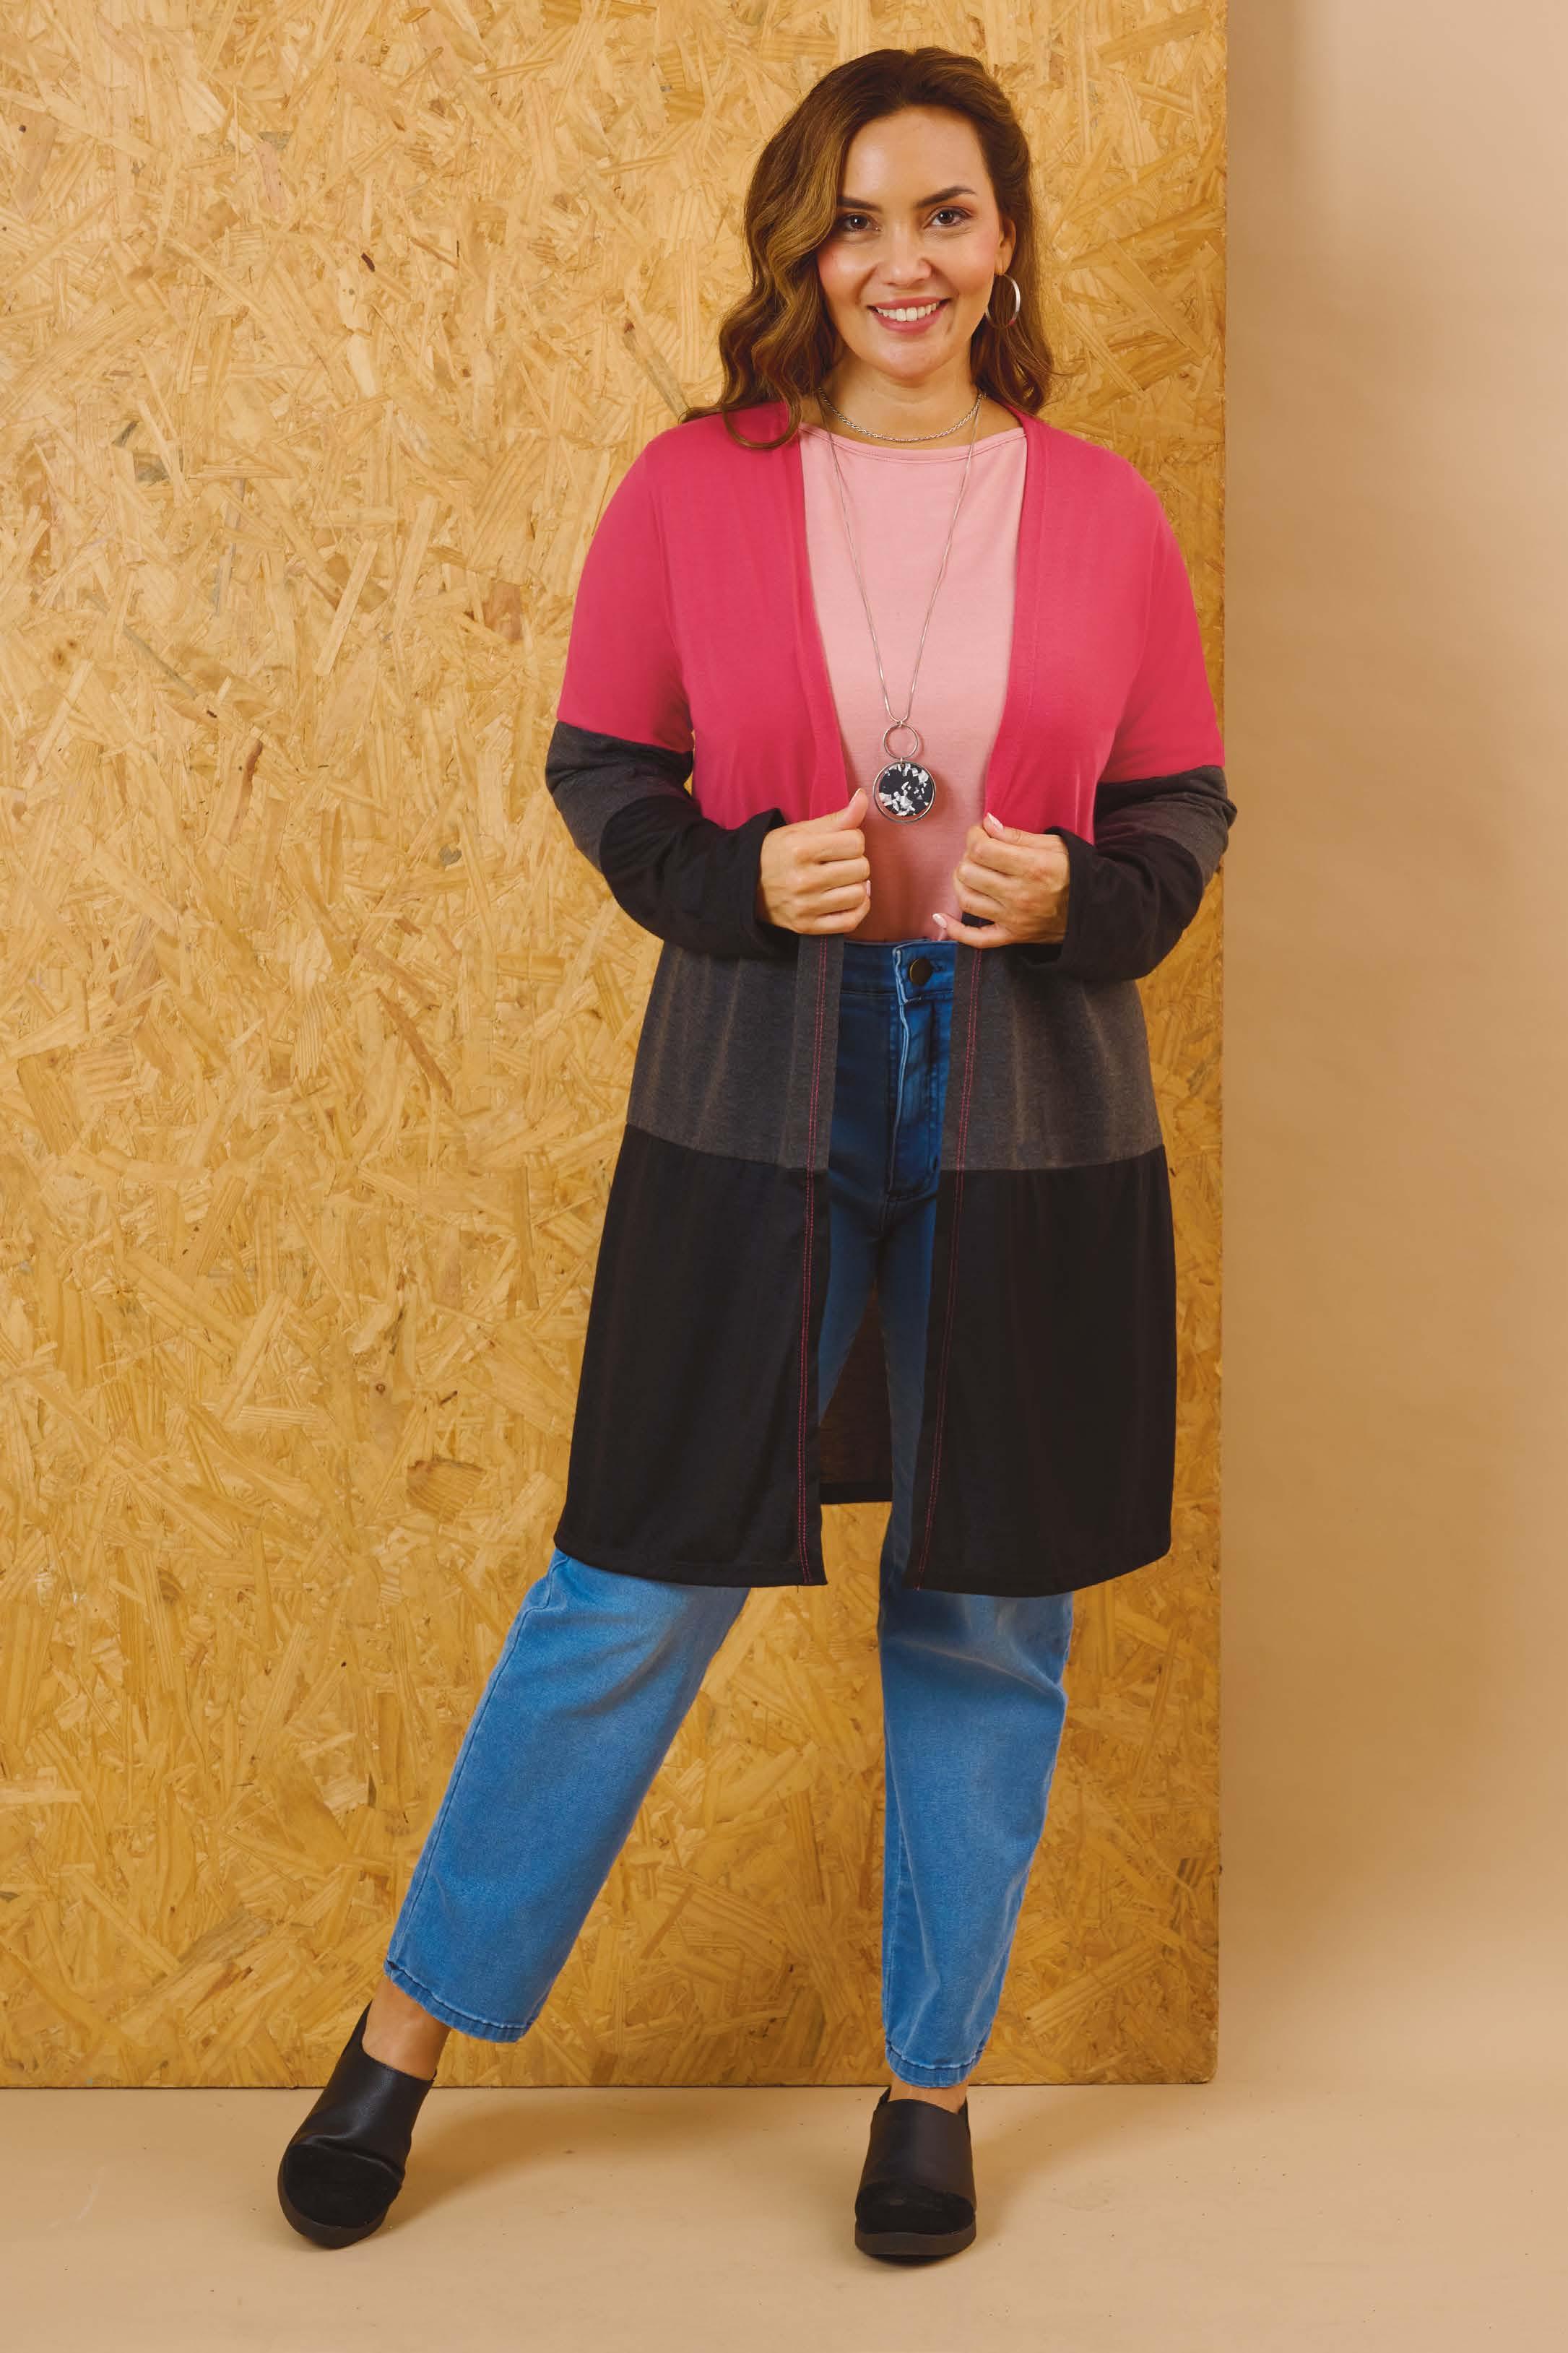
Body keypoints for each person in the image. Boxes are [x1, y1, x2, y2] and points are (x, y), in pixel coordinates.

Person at [277, 45, 1235, 2264]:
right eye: (858, 217)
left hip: (1030, 1108)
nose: (902, 262)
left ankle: (930, 2087)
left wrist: (1082, 898)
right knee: (634, 1572)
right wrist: (734, 878)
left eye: (946, 214)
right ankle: (402, 2033)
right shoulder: (692, 488)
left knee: (985, 1597)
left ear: (1004, 243)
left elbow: (1179, 805)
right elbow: (603, 765)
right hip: (751, 1091)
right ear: (801, 244)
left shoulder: (1100, 509)